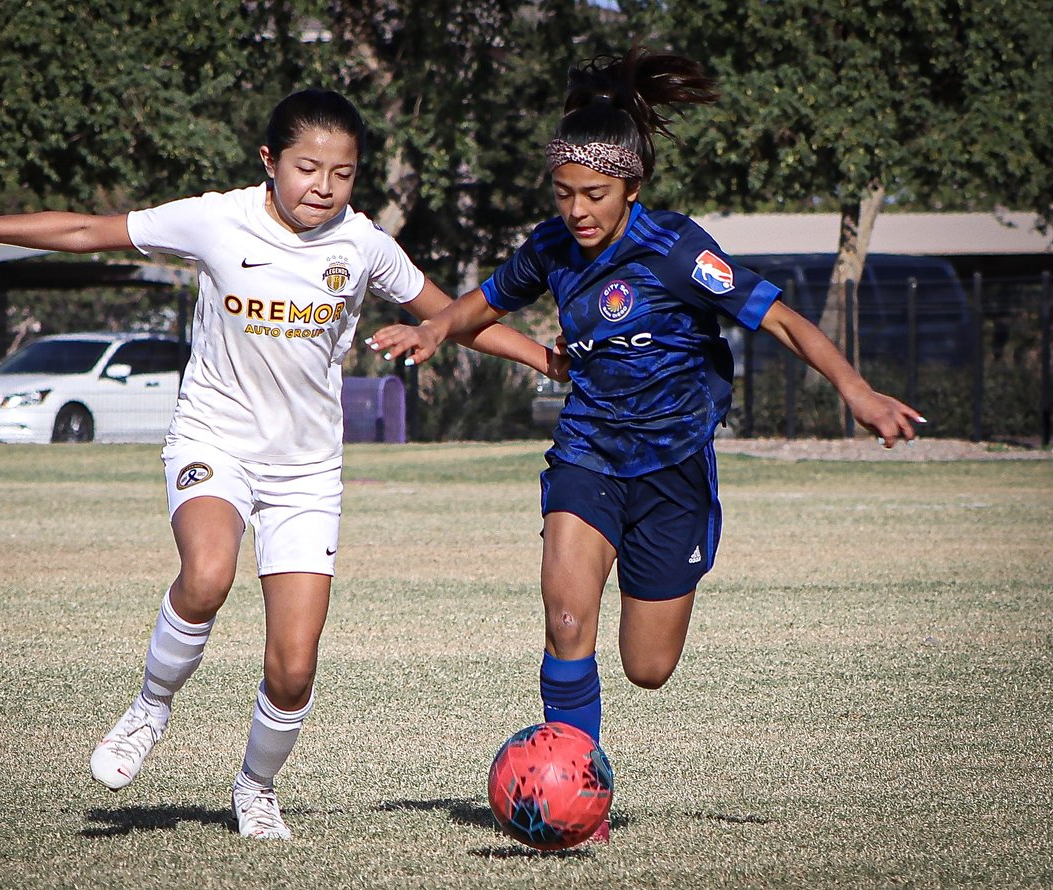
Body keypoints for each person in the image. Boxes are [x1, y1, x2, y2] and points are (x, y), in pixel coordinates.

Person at [0, 88, 565, 840]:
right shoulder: (216, 220)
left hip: (305, 473)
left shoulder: (362, 244)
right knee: (207, 575)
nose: (324, 187)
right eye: (307, 169)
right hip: (215, 442)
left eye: (342, 174)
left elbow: (451, 315)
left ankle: (255, 788)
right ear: (269, 161)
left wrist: (545, 358)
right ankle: (149, 710)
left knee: (293, 668)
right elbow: (84, 229)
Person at [367, 48, 925, 843]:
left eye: (593, 194)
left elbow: (779, 318)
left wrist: (855, 390)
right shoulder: (552, 248)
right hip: (588, 453)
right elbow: (481, 303)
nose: (577, 210)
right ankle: (575, 805)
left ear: (632, 187)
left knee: (648, 668)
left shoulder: (676, 250)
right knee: (567, 619)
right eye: (564, 193)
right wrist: (434, 329)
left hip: (673, 471)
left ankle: (586, 764)